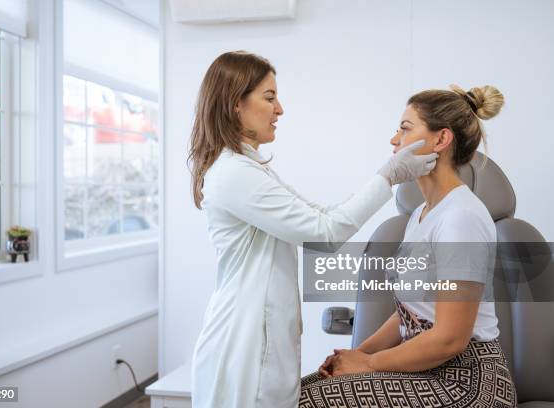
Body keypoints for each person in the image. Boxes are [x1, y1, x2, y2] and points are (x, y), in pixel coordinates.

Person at [188, 51, 438, 408]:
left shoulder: (249, 169)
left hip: (257, 338)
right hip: (242, 345)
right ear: (235, 105)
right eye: (270, 98)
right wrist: (388, 176)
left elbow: (322, 215)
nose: (280, 110)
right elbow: (325, 233)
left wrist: (388, 176)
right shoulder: (235, 174)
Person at [300, 84, 517, 408]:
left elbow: (450, 338)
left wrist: (369, 364)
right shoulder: (421, 215)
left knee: (310, 402)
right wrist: (359, 353)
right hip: (425, 369)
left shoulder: (461, 217)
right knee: (292, 393)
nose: (393, 140)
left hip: (467, 382)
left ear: (441, 139)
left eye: (404, 129)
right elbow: (409, 316)